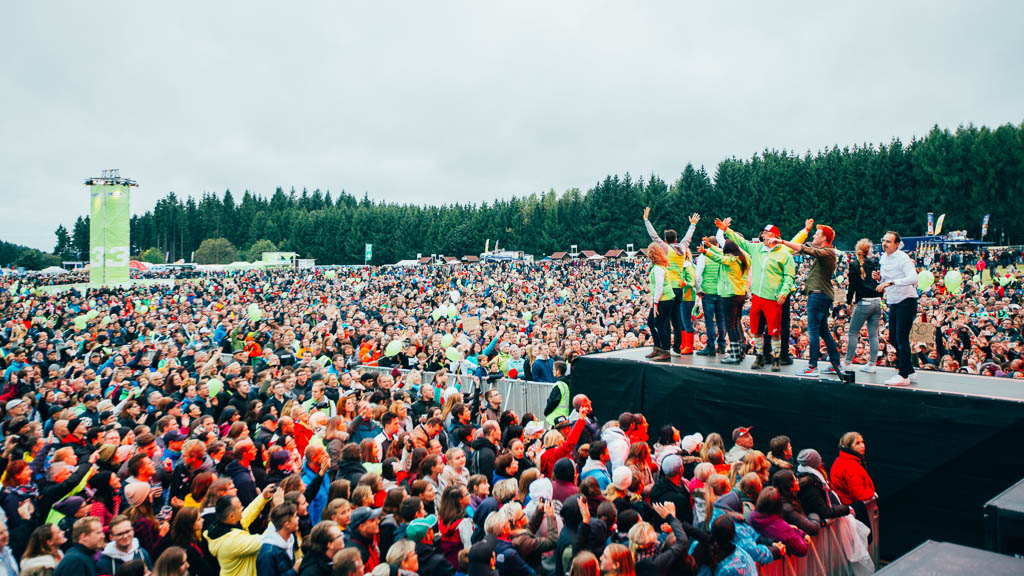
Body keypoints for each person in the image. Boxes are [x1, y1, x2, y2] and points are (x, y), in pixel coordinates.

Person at [718, 217, 800, 371]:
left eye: (767, 233)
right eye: (763, 233)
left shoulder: (784, 254)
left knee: (774, 331)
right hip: (757, 296)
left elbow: (789, 276)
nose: (763, 236)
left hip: (773, 298)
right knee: (756, 330)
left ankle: (776, 359)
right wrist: (726, 230)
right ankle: (759, 357)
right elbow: (741, 242)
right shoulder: (757, 249)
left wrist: (783, 292)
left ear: (775, 236)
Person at [766, 224, 843, 376]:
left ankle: (812, 367)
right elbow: (809, 245)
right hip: (821, 295)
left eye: (817, 234)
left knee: (813, 331)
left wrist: (781, 242)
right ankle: (835, 364)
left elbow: (805, 248)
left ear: (824, 238)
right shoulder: (826, 251)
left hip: (818, 295)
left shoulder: (827, 252)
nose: (814, 236)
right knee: (823, 331)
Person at [877, 231, 920, 385]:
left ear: (896, 244)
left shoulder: (903, 258)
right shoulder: (883, 258)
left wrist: (891, 283)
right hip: (894, 301)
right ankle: (909, 370)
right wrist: (880, 279)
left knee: (901, 337)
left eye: (888, 241)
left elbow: (913, 278)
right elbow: (885, 277)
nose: (885, 244)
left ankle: (903, 375)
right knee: (894, 337)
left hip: (906, 300)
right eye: (884, 240)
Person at [698, 237, 749, 365]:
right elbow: (721, 254)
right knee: (736, 323)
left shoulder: (731, 260)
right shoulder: (743, 257)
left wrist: (706, 252)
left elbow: (720, 258)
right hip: (740, 293)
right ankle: (739, 352)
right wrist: (711, 246)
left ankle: (734, 355)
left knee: (730, 325)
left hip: (729, 294)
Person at [204, 485, 275, 576]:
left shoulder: (224, 526)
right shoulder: (231, 542)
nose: (242, 508)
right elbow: (267, 539)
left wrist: (263, 497)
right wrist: (277, 511)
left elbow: (247, 514)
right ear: (231, 516)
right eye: (240, 507)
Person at [844, 238, 884, 372]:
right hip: (877, 302)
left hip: (864, 302)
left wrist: (848, 302)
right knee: (873, 335)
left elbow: (852, 286)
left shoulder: (854, 264)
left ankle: (848, 362)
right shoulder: (875, 263)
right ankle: (872, 364)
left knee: (853, 333)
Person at [695, 230, 728, 357]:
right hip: (721, 291)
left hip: (707, 292)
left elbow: (698, 275)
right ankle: (722, 344)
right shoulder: (721, 257)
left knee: (709, 320)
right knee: (721, 319)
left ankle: (710, 346)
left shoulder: (704, 256)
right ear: (717, 245)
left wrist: (698, 289)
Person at [645, 242, 676, 362]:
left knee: (659, 324)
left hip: (664, 299)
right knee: (652, 322)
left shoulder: (658, 268)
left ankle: (665, 350)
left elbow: (659, 286)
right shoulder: (657, 266)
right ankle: (658, 348)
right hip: (663, 299)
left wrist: (655, 303)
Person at [257, 503, 301, 576]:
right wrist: (294, 570)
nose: (298, 518)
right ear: (287, 525)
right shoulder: (268, 553)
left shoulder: (289, 541)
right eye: (295, 516)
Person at [344, 507, 382, 572]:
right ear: (362, 527)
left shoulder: (368, 540)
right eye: (372, 520)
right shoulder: (356, 554)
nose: (378, 522)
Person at [543, 362, 571, 426]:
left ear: (558, 371)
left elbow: (552, 401)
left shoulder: (559, 385)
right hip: (565, 416)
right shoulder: (567, 383)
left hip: (556, 418)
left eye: (553, 369)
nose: (552, 371)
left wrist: (546, 412)